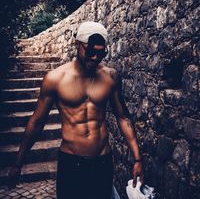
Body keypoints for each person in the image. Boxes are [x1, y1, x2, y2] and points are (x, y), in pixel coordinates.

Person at [8, 21, 143, 199]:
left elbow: (123, 117)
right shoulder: (55, 79)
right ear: (76, 44)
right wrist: (18, 163)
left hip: (102, 160)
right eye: (90, 51)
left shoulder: (110, 77)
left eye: (100, 53)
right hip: (71, 162)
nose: (95, 57)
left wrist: (137, 158)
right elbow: (37, 122)